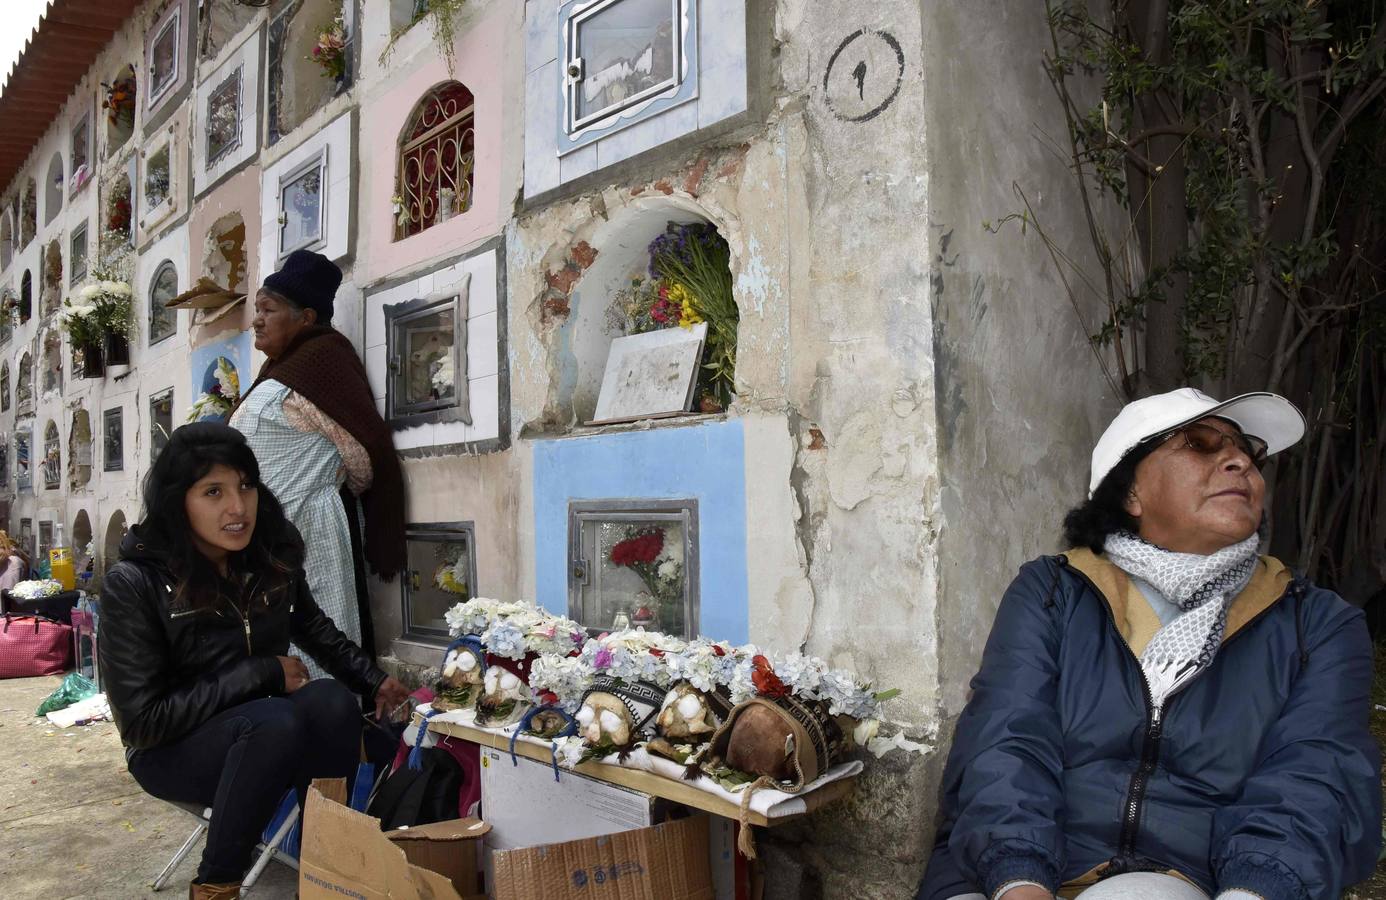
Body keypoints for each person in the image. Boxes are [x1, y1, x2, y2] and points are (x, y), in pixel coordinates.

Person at [919, 388, 1381, 900]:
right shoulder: (1053, 592)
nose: (1238, 462)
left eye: (1247, 451)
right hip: (1007, 867)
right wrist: (1018, 878)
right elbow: (1006, 739)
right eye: (1201, 443)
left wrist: (1257, 888)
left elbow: (1315, 776)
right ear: (1130, 494)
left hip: (1192, 879)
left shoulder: (1317, 625)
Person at [98, 423, 410, 900]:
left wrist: (374, 681)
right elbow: (143, 723)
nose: (237, 508)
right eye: (213, 492)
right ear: (177, 502)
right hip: (174, 750)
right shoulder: (136, 583)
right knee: (274, 719)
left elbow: (312, 626)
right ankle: (216, 886)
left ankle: (330, 871)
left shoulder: (267, 554)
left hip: (267, 734)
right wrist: (260, 673)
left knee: (330, 700)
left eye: (245, 486)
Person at [230, 249, 406, 679]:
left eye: (268, 310)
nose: (257, 319)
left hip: (306, 529)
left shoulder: (324, 360)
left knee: (315, 638)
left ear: (306, 318)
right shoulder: (280, 367)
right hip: (264, 533)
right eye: (257, 309)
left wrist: (316, 489)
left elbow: (363, 452)